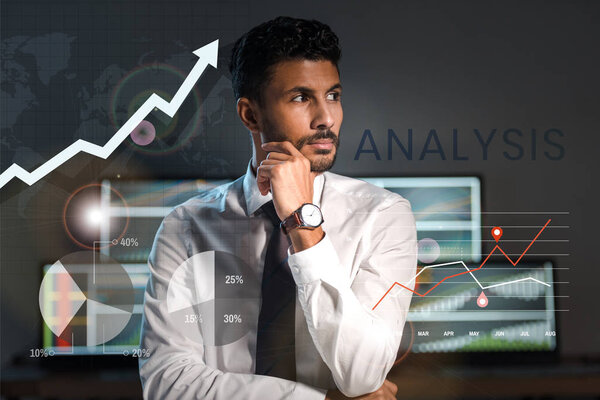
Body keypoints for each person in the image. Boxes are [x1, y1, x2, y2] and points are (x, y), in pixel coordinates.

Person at [138, 16, 417, 400]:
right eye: (302, 98)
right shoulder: (185, 227)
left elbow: (363, 374)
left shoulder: (384, 216)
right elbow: (167, 384)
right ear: (251, 115)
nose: (326, 118)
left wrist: (303, 223)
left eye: (333, 95)